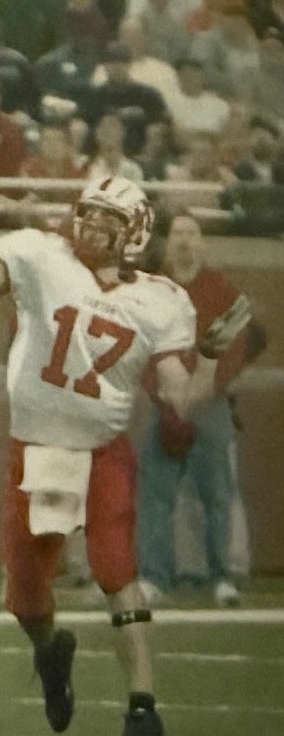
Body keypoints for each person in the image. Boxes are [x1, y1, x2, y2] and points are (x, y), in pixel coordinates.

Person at [0, 143, 249, 736]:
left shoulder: (165, 300)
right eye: (87, 213)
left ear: (134, 236)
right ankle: (48, 652)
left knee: (118, 570)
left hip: (101, 449)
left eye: (108, 221)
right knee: (28, 594)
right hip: (39, 452)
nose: (90, 227)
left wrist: (213, 359)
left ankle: (143, 712)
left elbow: (180, 400)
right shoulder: (41, 254)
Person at [136, 210, 253, 607]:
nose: (185, 241)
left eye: (192, 233)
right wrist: (164, 395)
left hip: (209, 406)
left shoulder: (224, 291)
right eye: (178, 233)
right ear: (167, 243)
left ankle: (222, 575)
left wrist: (199, 393)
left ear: (202, 242)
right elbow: (139, 347)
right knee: (156, 495)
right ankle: (154, 576)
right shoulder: (150, 289)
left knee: (216, 494)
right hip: (165, 404)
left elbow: (234, 351)